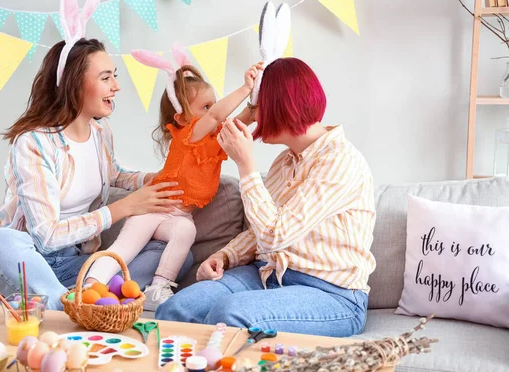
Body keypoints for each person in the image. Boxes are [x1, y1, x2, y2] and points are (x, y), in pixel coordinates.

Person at [0, 0, 192, 310]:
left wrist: (151, 179)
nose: (116, 85)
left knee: (172, 255)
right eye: (105, 77)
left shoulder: (100, 133)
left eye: (113, 76)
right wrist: (123, 208)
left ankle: (74, 298)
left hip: (72, 266)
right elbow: (45, 235)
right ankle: (69, 305)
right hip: (21, 262)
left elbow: (114, 174)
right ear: (76, 83)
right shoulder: (33, 142)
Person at [156, 57, 377, 337]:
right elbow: (262, 230)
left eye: (256, 105)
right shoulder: (285, 161)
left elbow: (275, 234)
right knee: (174, 311)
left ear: (280, 107)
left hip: (331, 294)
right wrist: (226, 256)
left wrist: (246, 165)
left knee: (228, 314)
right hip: (266, 274)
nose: (252, 114)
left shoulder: (340, 162)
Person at [85, 43, 263, 311]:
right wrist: (244, 88)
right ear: (181, 118)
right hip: (152, 209)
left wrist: (254, 102)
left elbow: (237, 122)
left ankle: (159, 286)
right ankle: (88, 286)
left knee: (186, 231)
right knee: (125, 248)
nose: (213, 111)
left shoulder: (213, 142)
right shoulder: (189, 135)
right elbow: (217, 117)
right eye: (205, 107)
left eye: (212, 104)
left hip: (179, 216)